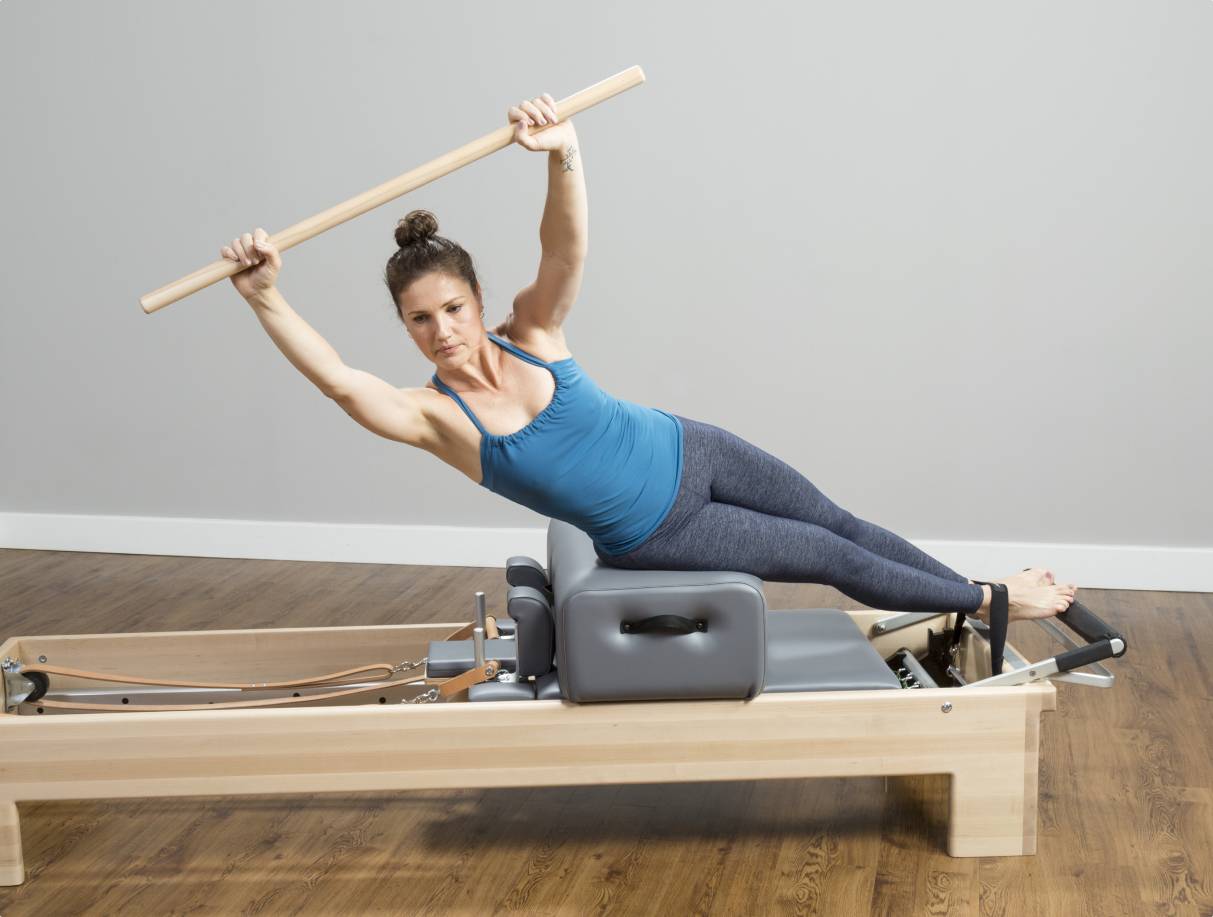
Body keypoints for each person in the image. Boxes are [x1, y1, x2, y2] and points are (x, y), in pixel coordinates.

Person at [221, 92, 1078, 624]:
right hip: (661, 531)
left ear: (477, 304)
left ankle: (974, 589)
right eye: (420, 320)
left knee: (841, 522)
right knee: (823, 558)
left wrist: (564, 154)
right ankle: (1000, 601)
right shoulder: (436, 418)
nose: (441, 329)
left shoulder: (532, 330)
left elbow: (566, 252)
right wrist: (264, 295)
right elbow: (340, 383)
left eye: (452, 309)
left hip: (691, 445)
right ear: (405, 329)